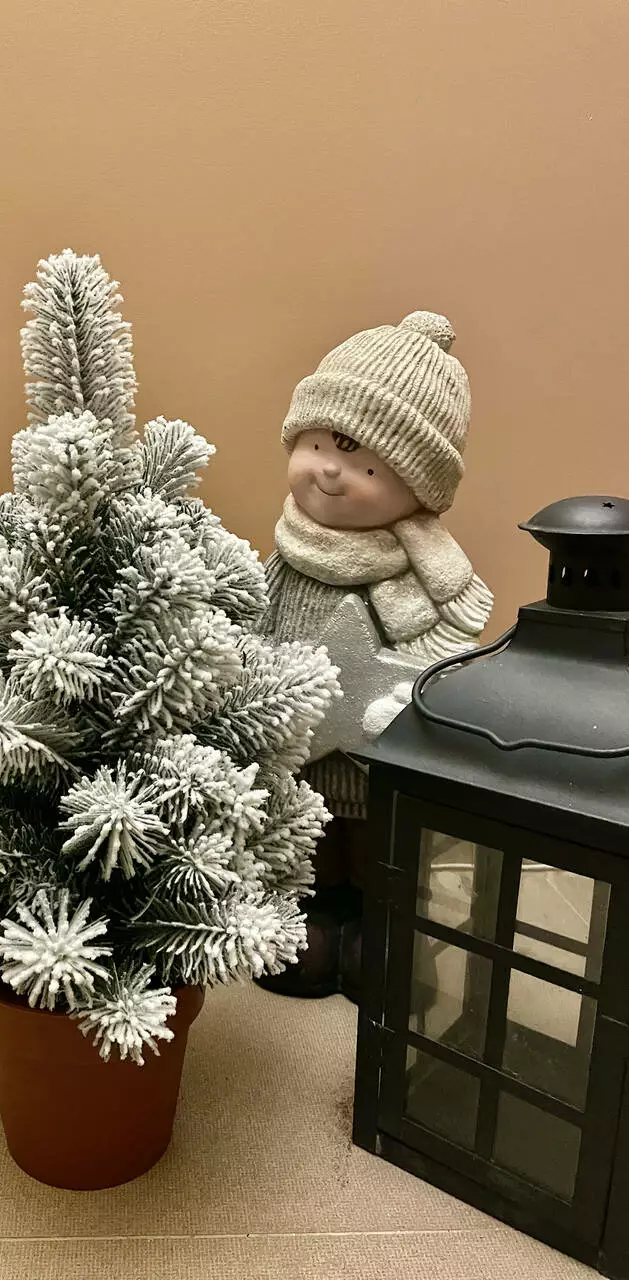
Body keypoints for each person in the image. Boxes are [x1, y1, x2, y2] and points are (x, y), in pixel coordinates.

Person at [257, 311, 492, 1000]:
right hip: (296, 754)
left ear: (417, 489)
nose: (332, 471)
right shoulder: (286, 556)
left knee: (378, 856)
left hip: (376, 759)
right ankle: (308, 929)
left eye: (367, 464)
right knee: (307, 852)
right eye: (320, 444)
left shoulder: (422, 577)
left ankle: (381, 938)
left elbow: (447, 649)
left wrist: (411, 701)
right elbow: (253, 624)